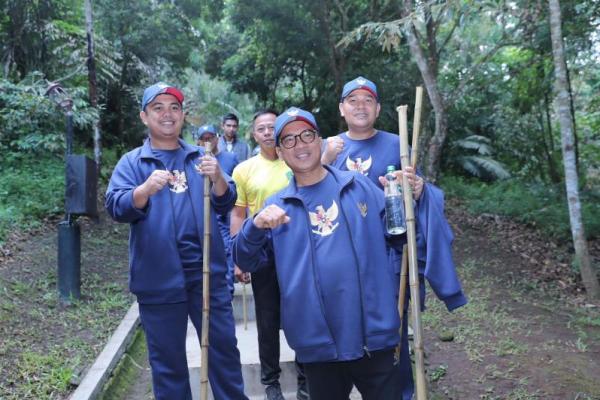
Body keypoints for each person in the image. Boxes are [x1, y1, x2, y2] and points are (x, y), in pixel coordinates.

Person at [233, 107, 466, 399]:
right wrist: (254, 226)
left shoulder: (358, 187)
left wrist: (414, 198)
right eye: (289, 140)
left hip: (373, 336)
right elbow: (244, 259)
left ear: (320, 141)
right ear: (279, 151)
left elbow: (404, 238)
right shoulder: (276, 206)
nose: (300, 144)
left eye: (307, 135)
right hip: (317, 344)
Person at [322, 76, 468, 399]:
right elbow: (307, 191)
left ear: (378, 108)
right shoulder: (328, 147)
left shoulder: (397, 143)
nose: (360, 106)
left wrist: (419, 190)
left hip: (389, 259)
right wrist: (324, 158)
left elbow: (420, 193)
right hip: (342, 260)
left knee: (392, 332)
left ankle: (399, 391)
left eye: (368, 100)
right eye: (353, 100)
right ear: (341, 109)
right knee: (343, 330)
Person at [105, 82, 248, 400]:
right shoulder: (133, 163)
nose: (167, 114)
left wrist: (219, 179)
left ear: (183, 115)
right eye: (158, 108)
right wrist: (142, 191)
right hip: (158, 278)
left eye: (174, 107)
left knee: (223, 356)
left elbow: (227, 203)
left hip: (206, 276)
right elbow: (115, 206)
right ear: (144, 116)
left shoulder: (202, 157)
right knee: (167, 364)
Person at [230, 109, 308, 400]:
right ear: (253, 134)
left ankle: (305, 378)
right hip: (262, 249)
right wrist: (239, 255)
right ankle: (270, 382)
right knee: (267, 318)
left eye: (271, 127)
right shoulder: (244, 169)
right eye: (261, 128)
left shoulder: (296, 158)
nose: (266, 132)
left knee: (302, 313)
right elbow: (237, 214)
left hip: (298, 247)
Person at [195, 124, 240, 295]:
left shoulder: (230, 158)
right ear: (199, 141)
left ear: (217, 137)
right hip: (202, 218)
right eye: (204, 138)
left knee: (225, 255)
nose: (208, 141)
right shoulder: (195, 160)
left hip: (225, 217)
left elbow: (235, 186)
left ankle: (226, 293)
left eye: (211, 137)